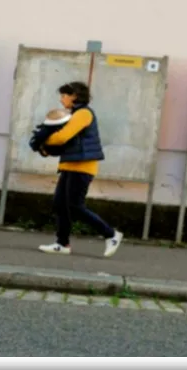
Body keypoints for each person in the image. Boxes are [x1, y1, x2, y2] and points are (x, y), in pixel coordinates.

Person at [36, 81, 124, 258]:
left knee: (75, 206)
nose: (61, 100)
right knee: (60, 205)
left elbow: (62, 137)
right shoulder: (74, 114)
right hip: (70, 165)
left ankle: (111, 234)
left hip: (82, 167)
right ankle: (62, 244)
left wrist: (43, 140)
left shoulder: (83, 114)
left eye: (64, 96)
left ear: (74, 96)